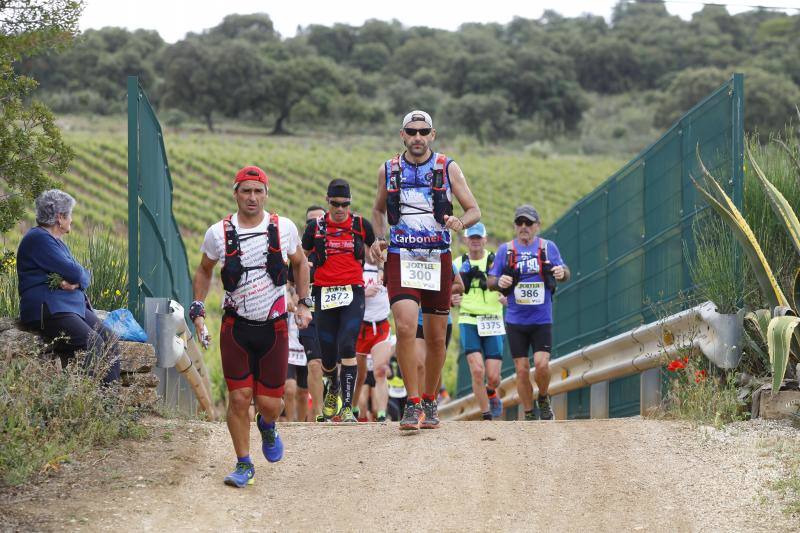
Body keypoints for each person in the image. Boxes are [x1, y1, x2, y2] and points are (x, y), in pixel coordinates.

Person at [190, 166, 312, 488]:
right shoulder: (219, 232)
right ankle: (244, 464)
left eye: (258, 191)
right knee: (240, 398)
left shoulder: (283, 228)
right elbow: (204, 271)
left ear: (266, 194)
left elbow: (300, 263)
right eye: (246, 191)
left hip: (274, 329)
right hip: (236, 329)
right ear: (236, 194)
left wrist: (303, 302)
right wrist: (199, 308)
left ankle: (268, 425)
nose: (252, 198)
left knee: (270, 405)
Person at [370, 109, 481, 431]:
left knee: (435, 338)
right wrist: (379, 238)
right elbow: (378, 210)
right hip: (401, 256)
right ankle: (412, 403)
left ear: (432, 135)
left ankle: (430, 400)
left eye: (423, 131)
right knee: (405, 328)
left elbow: (473, 209)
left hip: (437, 258)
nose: (417, 137)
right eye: (411, 131)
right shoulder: (388, 169)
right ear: (402, 135)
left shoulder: (447, 167)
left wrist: (461, 222)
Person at [17, 189, 120, 384]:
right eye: (70, 215)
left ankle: (110, 405)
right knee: (93, 343)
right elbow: (75, 272)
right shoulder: (38, 239)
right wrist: (78, 278)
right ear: (59, 218)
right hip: (50, 309)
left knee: (111, 340)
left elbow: (83, 276)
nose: (72, 220)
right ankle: (88, 402)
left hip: (69, 307)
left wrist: (79, 280)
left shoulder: (57, 242)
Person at [302, 178, 375, 423]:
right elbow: (301, 258)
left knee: (347, 345)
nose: (340, 209)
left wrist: (380, 252)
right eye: (335, 204)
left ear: (350, 203)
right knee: (329, 354)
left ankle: (346, 409)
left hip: (353, 291)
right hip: (324, 293)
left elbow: (377, 249)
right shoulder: (315, 228)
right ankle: (332, 385)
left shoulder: (361, 225)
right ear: (328, 201)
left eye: (345, 204)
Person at [487, 205, 569, 421]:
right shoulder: (506, 250)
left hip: (541, 319)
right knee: (522, 369)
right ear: (515, 226)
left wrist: (561, 273)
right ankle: (529, 412)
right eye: (520, 223)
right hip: (516, 320)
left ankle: (542, 396)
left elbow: (565, 271)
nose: (524, 227)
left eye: (528, 223)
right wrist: (499, 282)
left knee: (542, 365)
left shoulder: (547, 247)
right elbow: (490, 280)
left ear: (537, 226)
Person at [453, 222, 506, 420]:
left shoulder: (495, 262)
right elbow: (448, 290)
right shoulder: (458, 263)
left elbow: (509, 284)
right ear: (466, 240)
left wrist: (506, 297)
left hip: (493, 319)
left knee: (493, 377)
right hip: (469, 319)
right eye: (471, 238)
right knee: (477, 370)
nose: (475, 241)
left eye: (478, 238)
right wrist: (452, 299)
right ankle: (486, 415)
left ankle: (491, 391)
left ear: (485, 239)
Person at [292, 205, 326, 422]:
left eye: (320, 222)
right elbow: (287, 283)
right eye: (310, 222)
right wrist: (294, 300)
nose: (315, 226)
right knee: (314, 363)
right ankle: (319, 414)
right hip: (309, 314)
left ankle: (336, 406)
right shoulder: (298, 255)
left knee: (333, 366)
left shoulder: (335, 249)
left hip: (334, 313)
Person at [353, 256, 392, 422]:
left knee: (381, 370)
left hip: (381, 325)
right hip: (361, 326)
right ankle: (353, 408)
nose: (377, 252)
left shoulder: (390, 266)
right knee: (360, 374)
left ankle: (382, 414)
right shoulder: (356, 266)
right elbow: (346, 292)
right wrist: (363, 292)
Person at [413, 263, 463, 389]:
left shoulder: (445, 259)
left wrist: (440, 293)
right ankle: (419, 406)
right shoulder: (409, 259)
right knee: (419, 364)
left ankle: (431, 404)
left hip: (440, 320)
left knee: (435, 367)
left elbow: (459, 285)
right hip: (417, 320)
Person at [285, 292, 309, 422]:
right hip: (288, 350)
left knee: (303, 393)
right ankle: (289, 424)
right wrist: (288, 295)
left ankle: (300, 426)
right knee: (289, 389)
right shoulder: (288, 288)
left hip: (304, 350)